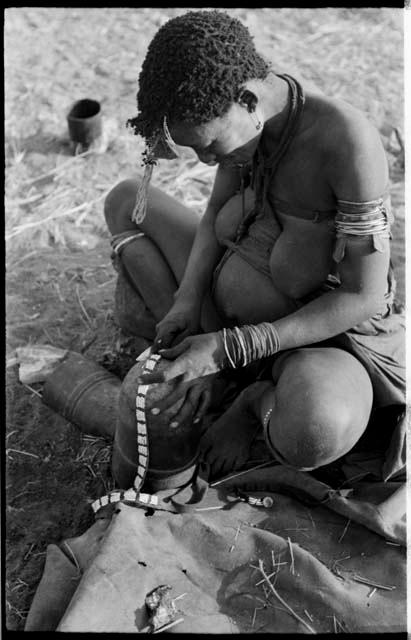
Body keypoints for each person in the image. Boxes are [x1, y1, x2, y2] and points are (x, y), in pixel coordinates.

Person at [104, 10, 405, 481]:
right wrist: (186, 302)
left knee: (314, 428)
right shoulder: (244, 125)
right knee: (125, 202)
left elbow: (364, 295)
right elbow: (212, 217)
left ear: (247, 100)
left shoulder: (346, 143)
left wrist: (230, 349)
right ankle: (205, 365)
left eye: (210, 148)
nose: (206, 162)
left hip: (309, 340)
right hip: (224, 311)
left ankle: (252, 402)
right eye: (196, 151)